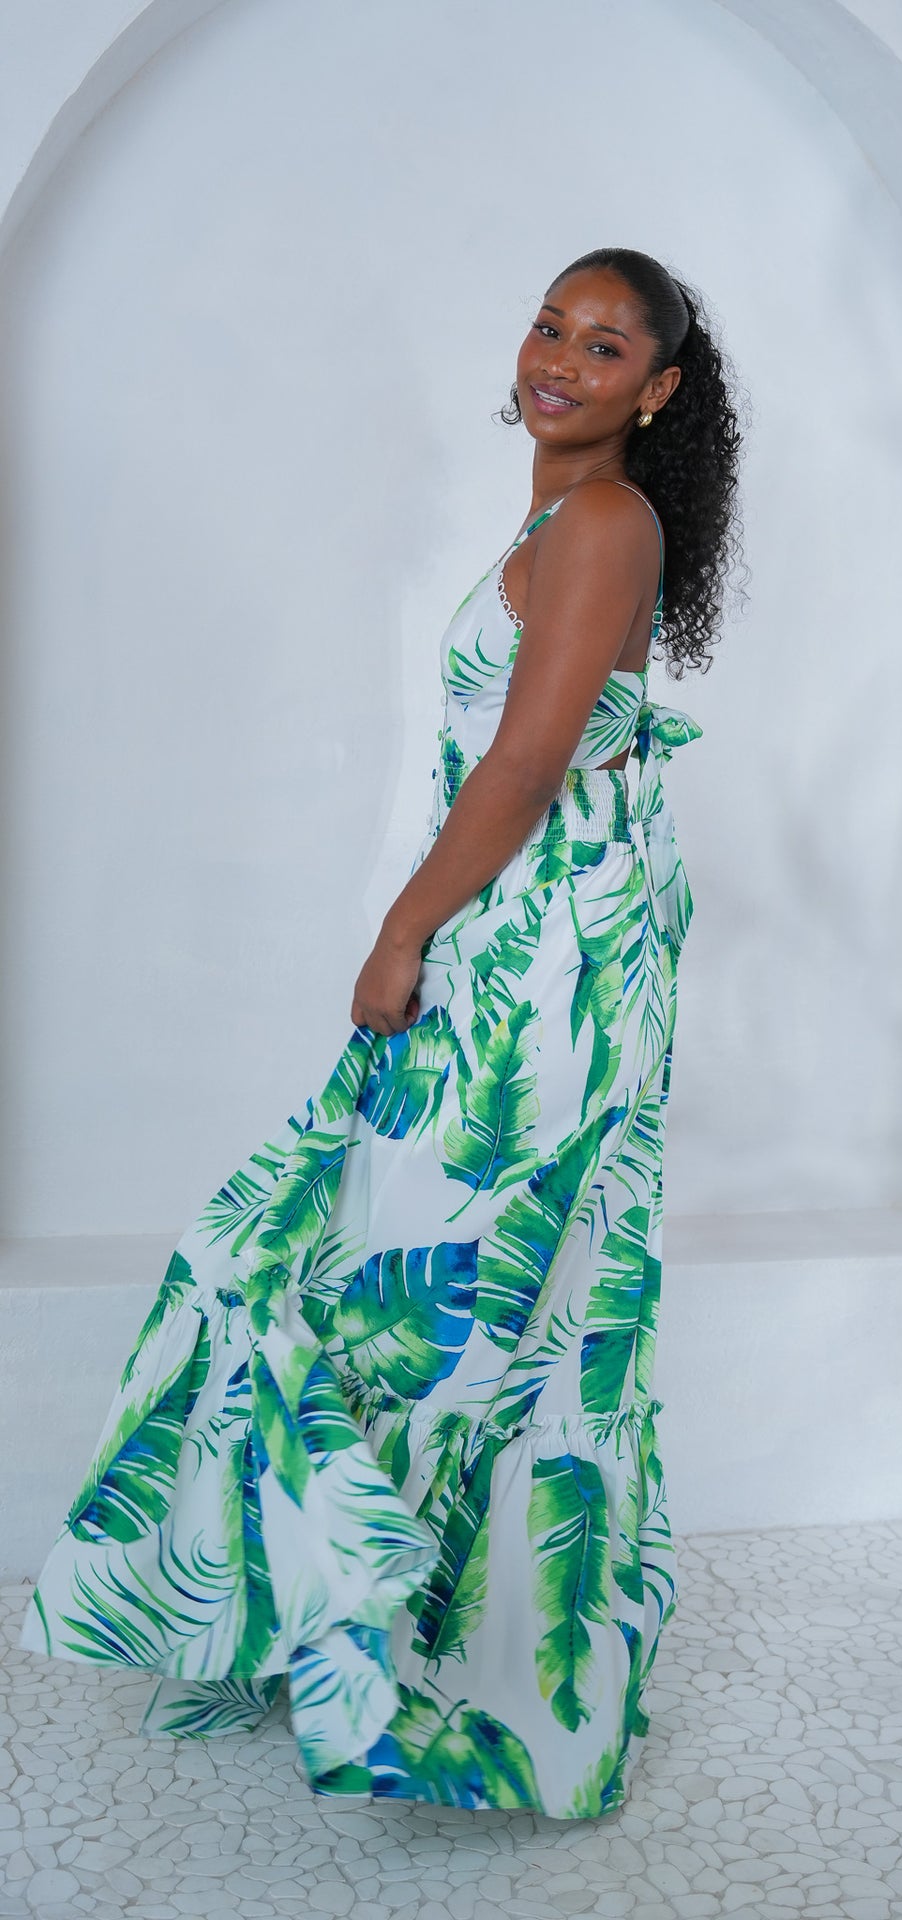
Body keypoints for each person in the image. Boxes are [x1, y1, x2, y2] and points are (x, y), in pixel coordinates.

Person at [22, 245, 743, 1817]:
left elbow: (529, 763)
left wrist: (402, 929)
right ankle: (361, 1633)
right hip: (527, 941)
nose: (559, 360)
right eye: (550, 326)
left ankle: (472, 1682)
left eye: (604, 346)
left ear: (658, 389)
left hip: (546, 965)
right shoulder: (560, 516)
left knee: (463, 1293)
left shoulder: (606, 523)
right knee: (392, 1270)